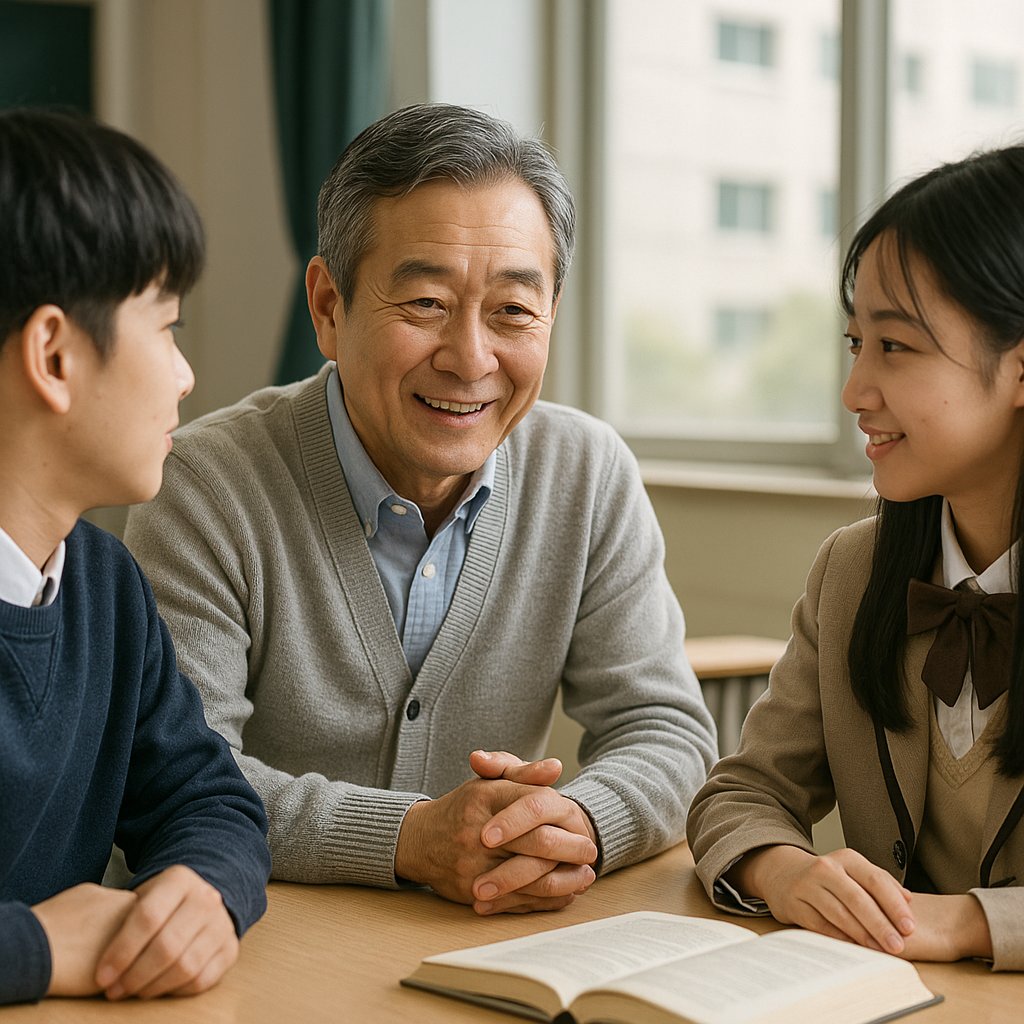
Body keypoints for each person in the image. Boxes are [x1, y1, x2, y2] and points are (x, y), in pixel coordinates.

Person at [125, 102, 717, 916]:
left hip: (488, 944)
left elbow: (667, 730)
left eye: (513, 310)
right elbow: (178, 777)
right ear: (329, 307)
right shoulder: (207, 482)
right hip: (264, 942)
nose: (472, 358)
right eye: (426, 304)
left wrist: (570, 820)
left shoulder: (587, 472)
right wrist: (411, 839)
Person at [687, 145, 1024, 971]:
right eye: (854, 344)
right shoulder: (854, 570)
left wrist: (973, 925)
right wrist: (786, 870)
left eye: (896, 348)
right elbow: (742, 791)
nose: (854, 392)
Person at [0, 109, 272, 1006]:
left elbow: (212, 801)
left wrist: (203, 894)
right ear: (54, 354)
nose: (187, 376)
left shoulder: (106, 586)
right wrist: (34, 946)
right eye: (167, 326)